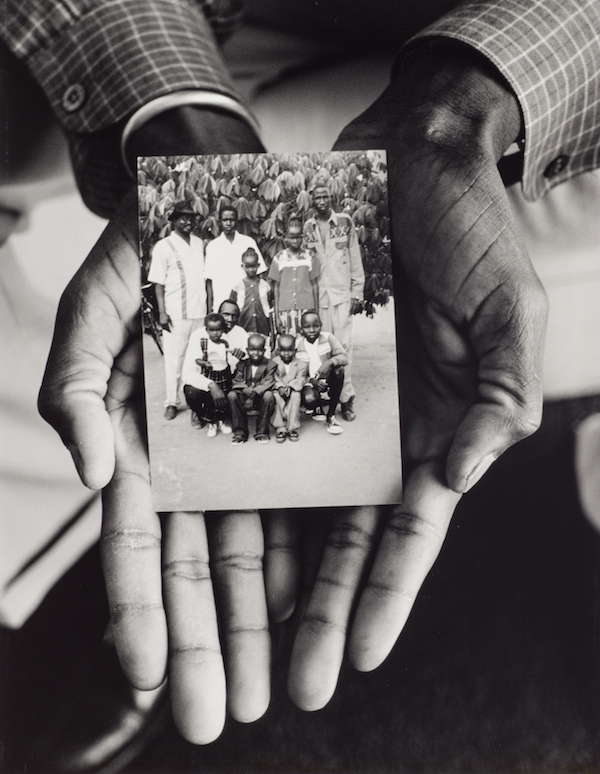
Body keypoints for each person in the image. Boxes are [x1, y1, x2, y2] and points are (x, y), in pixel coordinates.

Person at [4, 0, 599, 763]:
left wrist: (466, 102)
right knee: (93, 316)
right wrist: (179, 123)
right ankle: (61, 546)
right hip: (204, 18)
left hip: (561, 82)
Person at [303, 185, 364, 422]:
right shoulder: (308, 227)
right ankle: (325, 398)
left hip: (341, 296)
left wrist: (357, 293)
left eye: (325, 196)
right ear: (312, 201)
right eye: (317, 197)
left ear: (331, 198)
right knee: (322, 349)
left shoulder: (344, 222)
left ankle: (346, 399)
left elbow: (355, 259)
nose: (321, 201)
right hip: (319, 299)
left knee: (344, 347)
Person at [147, 202, 207, 420]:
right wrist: (162, 312)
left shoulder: (199, 243)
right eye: (183, 218)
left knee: (196, 358)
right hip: (176, 313)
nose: (188, 222)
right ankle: (172, 402)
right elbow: (158, 284)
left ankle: (194, 398)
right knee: (174, 359)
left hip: (199, 311)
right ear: (173, 221)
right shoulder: (164, 246)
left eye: (191, 218)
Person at [295, 311, 348, 436]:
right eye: (307, 327)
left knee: (339, 371)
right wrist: (311, 381)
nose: (312, 330)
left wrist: (329, 362)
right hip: (310, 382)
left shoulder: (328, 338)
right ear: (301, 328)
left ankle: (331, 415)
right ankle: (316, 406)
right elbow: (296, 372)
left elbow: (344, 357)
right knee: (310, 399)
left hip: (327, 379)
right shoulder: (297, 344)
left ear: (321, 325)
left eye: (316, 326)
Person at [205, 206, 267, 313]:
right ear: (220, 222)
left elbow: (259, 274)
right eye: (225, 220)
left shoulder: (248, 242)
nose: (228, 223)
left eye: (232, 220)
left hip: (246, 301)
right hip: (222, 300)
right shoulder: (213, 246)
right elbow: (209, 280)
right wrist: (209, 309)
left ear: (237, 221)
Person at [181, 312, 234, 437]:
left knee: (223, 400)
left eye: (218, 330)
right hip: (209, 375)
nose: (215, 333)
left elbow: (230, 357)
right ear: (206, 330)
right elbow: (196, 360)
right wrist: (204, 363)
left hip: (223, 375)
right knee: (210, 400)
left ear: (223, 329)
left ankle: (222, 421)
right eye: (212, 330)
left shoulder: (225, 342)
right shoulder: (203, 342)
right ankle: (212, 422)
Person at [269, 217, 320, 336]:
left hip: (306, 308)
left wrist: (316, 312)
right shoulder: (279, 258)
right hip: (285, 309)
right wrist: (277, 315)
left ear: (303, 237)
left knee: (306, 340)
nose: (295, 240)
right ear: (286, 237)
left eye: (298, 237)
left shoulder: (310, 256)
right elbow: (276, 288)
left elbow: (315, 286)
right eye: (292, 237)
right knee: (287, 342)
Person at [228, 333, 277, 445]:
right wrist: (246, 390)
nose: (256, 353)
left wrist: (252, 395)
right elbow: (237, 380)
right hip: (245, 395)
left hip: (260, 397)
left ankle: (262, 432)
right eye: (252, 350)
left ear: (264, 351)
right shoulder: (241, 364)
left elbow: (268, 382)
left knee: (269, 395)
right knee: (232, 395)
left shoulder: (271, 364)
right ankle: (240, 432)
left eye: (259, 350)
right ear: (247, 350)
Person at [272, 334, 309, 442]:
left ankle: (293, 427)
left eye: (289, 350)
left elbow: (301, 379)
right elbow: (273, 378)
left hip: (293, 389)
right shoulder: (273, 363)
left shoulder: (301, 364)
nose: (286, 353)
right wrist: (280, 387)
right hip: (279, 388)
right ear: (278, 350)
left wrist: (290, 387)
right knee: (275, 395)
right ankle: (280, 427)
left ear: (295, 350)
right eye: (283, 351)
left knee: (296, 395)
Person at [229, 247, 272, 338]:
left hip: (263, 327)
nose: (251, 270)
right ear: (242, 266)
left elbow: (270, 306)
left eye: (253, 266)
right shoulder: (237, 286)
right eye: (248, 267)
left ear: (258, 265)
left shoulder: (265, 286)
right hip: (243, 326)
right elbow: (232, 308)